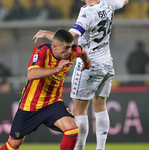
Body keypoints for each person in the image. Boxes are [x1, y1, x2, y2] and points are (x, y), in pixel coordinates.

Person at [33, 0, 129, 150]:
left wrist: (46, 33)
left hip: (89, 65)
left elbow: (68, 40)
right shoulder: (108, 3)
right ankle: (100, 148)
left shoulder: (87, 13)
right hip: (107, 63)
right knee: (100, 106)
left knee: (79, 110)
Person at [0, 29, 91, 150]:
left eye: (70, 47)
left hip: (53, 103)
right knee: (14, 144)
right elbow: (31, 74)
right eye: (66, 48)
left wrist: (87, 63)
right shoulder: (42, 50)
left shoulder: (73, 50)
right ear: (54, 46)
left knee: (72, 130)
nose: (69, 51)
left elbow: (82, 52)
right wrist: (56, 69)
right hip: (30, 106)